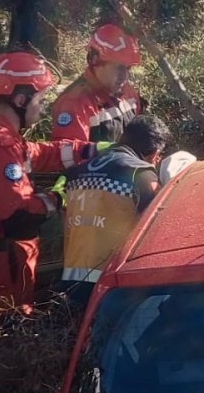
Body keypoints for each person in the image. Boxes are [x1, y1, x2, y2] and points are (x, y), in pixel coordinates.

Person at [0, 49, 97, 319]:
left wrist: (89, 150)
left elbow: (39, 153)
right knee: (3, 337)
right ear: (20, 99)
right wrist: (58, 198)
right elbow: (18, 215)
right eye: (39, 99)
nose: (42, 107)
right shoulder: (1, 145)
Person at [56, 115, 172, 307]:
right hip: (112, 285)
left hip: (70, 282)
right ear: (154, 153)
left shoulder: (76, 172)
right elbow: (155, 226)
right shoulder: (139, 173)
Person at [50, 23, 146, 142]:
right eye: (119, 67)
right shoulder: (75, 103)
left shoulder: (127, 92)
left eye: (128, 68)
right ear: (96, 61)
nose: (125, 75)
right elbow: (71, 155)